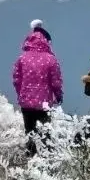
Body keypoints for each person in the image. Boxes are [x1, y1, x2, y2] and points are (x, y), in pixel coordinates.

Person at [12, 19, 62, 154]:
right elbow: (56, 81)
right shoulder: (51, 59)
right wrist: (58, 95)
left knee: (29, 132)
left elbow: (16, 80)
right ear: (46, 41)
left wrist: (21, 93)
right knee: (45, 134)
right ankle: (45, 162)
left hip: (26, 103)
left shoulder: (22, 58)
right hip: (44, 103)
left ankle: (31, 158)